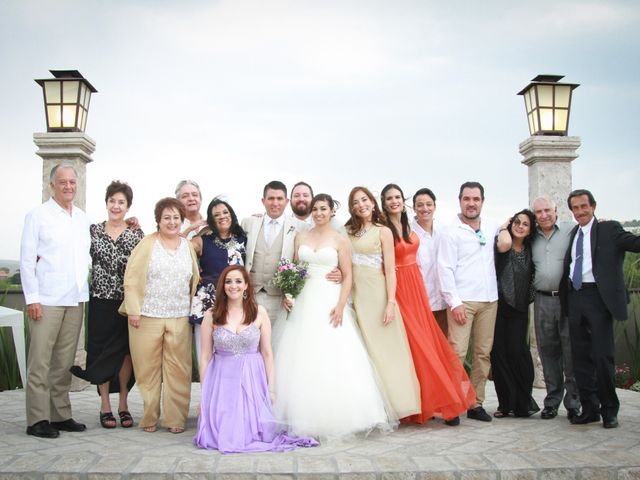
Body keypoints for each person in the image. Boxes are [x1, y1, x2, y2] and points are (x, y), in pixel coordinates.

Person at [273, 194, 395, 440]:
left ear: (331, 212)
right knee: (302, 354)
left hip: (329, 300)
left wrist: (340, 305)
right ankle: (301, 413)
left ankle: (344, 413)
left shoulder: (340, 240)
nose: (318, 213)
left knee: (333, 353)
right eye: (315, 209)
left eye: (323, 209)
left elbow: (347, 275)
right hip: (304, 299)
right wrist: (289, 294)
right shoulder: (301, 237)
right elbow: (294, 270)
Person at [194, 265, 318, 453]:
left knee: (253, 432)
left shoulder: (259, 312)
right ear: (222, 286)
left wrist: (272, 389)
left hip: (252, 378)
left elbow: (267, 353)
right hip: (222, 380)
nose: (233, 286)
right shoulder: (211, 315)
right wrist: (205, 396)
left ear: (246, 286)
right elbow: (205, 357)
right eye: (228, 281)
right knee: (219, 435)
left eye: (238, 281)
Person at [381, 184, 475, 426]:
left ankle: (444, 402)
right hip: (399, 288)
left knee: (432, 344)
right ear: (383, 202)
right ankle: (419, 403)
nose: (394, 201)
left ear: (404, 201)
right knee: (415, 347)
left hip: (418, 289)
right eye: (389, 198)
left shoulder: (410, 226)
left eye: (398, 197)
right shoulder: (383, 228)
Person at [20, 163, 91, 438]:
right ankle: (37, 419)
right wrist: (32, 298)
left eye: (72, 182)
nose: (68, 187)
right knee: (40, 361)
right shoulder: (37, 215)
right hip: (46, 298)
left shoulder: (82, 218)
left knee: (63, 361)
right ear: (52, 186)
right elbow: (27, 260)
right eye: (63, 182)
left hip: (75, 298)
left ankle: (60, 414)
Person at [559, 189, 640, 429]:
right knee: (580, 359)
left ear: (593, 206)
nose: (580, 211)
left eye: (584, 206)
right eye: (575, 208)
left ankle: (609, 410)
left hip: (599, 299)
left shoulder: (609, 229)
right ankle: (590, 409)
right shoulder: (574, 233)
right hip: (575, 298)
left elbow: (634, 243)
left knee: (602, 357)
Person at [120, 197, 200, 433]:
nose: (172, 222)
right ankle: (150, 416)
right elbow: (132, 280)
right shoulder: (147, 244)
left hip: (179, 316)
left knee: (179, 370)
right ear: (158, 220)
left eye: (176, 217)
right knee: (148, 370)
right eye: (167, 217)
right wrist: (134, 310)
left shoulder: (187, 247)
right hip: (146, 316)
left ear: (181, 220)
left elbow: (193, 280)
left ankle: (175, 419)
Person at [70, 181, 144, 429]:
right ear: (106, 203)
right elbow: (72, 249)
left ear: (128, 206)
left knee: (125, 353)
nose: (116, 205)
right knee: (100, 351)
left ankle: (123, 403)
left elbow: (144, 267)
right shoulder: (92, 231)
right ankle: (104, 405)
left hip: (126, 303)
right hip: (100, 301)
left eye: (121, 202)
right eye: (112, 200)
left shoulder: (136, 234)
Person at [345, 187, 421, 419]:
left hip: (377, 294)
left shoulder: (383, 231)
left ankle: (398, 404)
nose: (361, 205)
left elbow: (390, 269)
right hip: (354, 294)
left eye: (365, 200)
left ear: (372, 202)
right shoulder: (347, 230)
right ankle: (371, 406)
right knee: (363, 350)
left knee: (385, 350)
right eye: (356, 202)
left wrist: (390, 302)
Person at [437, 181, 501, 422]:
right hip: (463, 301)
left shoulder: (492, 225)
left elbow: (512, 227)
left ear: (482, 201)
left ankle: (475, 404)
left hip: (490, 300)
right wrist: (454, 302)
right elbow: (444, 269)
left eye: (476, 199)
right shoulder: (450, 231)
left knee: (483, 354)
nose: (471, 203)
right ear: (460, 200)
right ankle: (451, 405)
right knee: (456, 354)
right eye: (467, 199)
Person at [531, 196, 580, 420]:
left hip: (567, 300)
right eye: (539, 212)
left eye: (547, 210)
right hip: (542, 300)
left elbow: (592, 229)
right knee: (547, 352)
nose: (543, 215)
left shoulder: (571, 230)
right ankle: (552, 401)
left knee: (570, 351)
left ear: (556, 210)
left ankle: (573, 402)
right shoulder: (532, 236)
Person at [491, 209, 540, 418]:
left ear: (530, 230)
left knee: (518, 353)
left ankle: (522, 402)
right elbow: (504, 244)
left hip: (520, 310)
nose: (520, 226)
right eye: (517, 222)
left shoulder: (532, 249)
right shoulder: (502, 243)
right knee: (499, 355)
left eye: (525, 224)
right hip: (499, 307)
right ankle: (505, 404)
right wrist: (504, 227)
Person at [241, 181, 310, 326]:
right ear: (263, 201)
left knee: (276, 344)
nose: (275, 203)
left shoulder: (301, 227)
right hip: (251, 295)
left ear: (286, 201)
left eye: (279, 199)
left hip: (280, 298)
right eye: (271, 198)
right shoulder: (248, 223)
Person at [190, 198, 246, 369]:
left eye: (225, 212)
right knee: (204, 354)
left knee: (231, 354)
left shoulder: (242, 239)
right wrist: (194, 227)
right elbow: (177, 246)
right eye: (216, 215)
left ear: (232, 215)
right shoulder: (202, 240)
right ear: (210, 219)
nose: (222, 217)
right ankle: (208, 392)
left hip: (234, 299)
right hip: (206, 302)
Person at [411, 188, 448, 336]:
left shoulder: (445, 230)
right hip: (420, 301)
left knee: (444, 344)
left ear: (435, 206)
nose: (425, 209)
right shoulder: (408, 233)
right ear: (414, 208)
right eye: (420, 205)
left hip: (444, 302)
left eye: (429, 204)